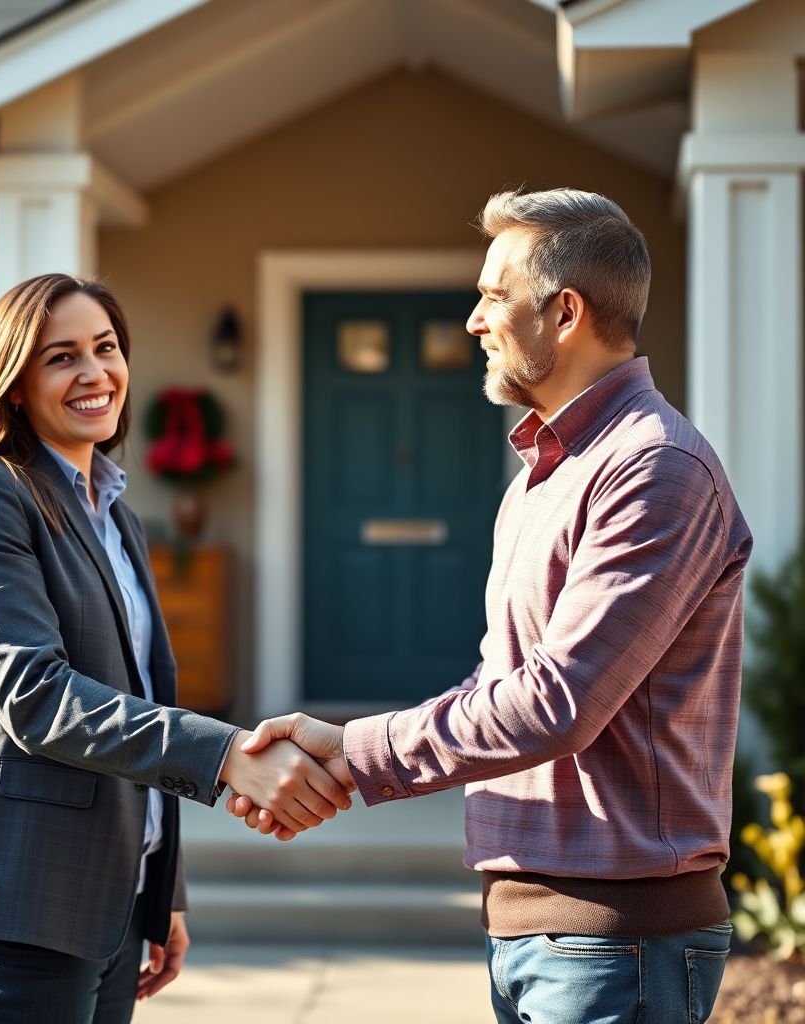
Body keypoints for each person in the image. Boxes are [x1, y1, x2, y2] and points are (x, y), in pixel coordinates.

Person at [230, 188, 752, 1024]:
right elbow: (504, 680)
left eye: (492, 294)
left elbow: (559, 703)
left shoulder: (655, 470)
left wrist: (359, 754)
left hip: (616, 944)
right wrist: (339, 756)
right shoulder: (549, 471)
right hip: (538, 935)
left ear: (566, 311)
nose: (473, 320)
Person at [0, 273, 353, 1024]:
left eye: (106, 348)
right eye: (61, 357)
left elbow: (143, 703)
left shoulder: (115, 516)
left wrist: (164, 893)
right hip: (18, 908)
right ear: (14, 385)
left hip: (114, 908)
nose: (96, 373)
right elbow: (36, 697)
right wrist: (229, 756)